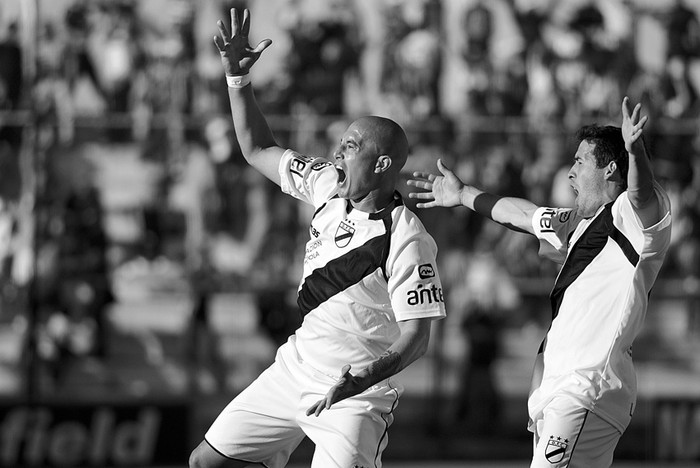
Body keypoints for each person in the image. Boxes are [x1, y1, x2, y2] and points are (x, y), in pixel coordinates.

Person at [188, 9, 446, 468]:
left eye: (350, 145)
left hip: (353, 395)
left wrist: (362, 378)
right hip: (294, 368)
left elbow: (417, 338)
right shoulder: (328, 184)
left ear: (382, 164)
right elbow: (257, 149)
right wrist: (237, 81)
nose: (336, 152)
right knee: (205, 462)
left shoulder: (407, 237)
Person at [408, 97, 672, 468]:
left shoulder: (633, 219)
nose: (570, 173)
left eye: (580, 162)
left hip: (585, 388)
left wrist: (635, 150)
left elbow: (641, 192)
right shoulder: (578, 227)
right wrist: (464, 194)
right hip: (560, 390)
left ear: (611, 169)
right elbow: (524, 215)